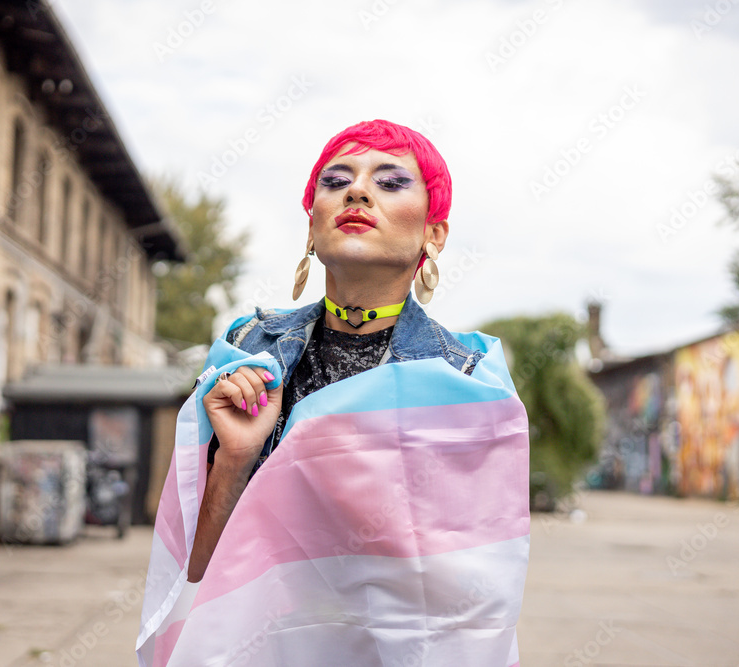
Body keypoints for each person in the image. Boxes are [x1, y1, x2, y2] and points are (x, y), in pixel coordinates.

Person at [137, 120, 530, 666]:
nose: (357, 192)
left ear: (433, 234)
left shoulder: (467, 379)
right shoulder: (248, 352)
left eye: (391, 183)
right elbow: (199, 572)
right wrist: (235, 459)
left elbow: (470, 603)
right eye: (335, 181)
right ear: (311, 225)